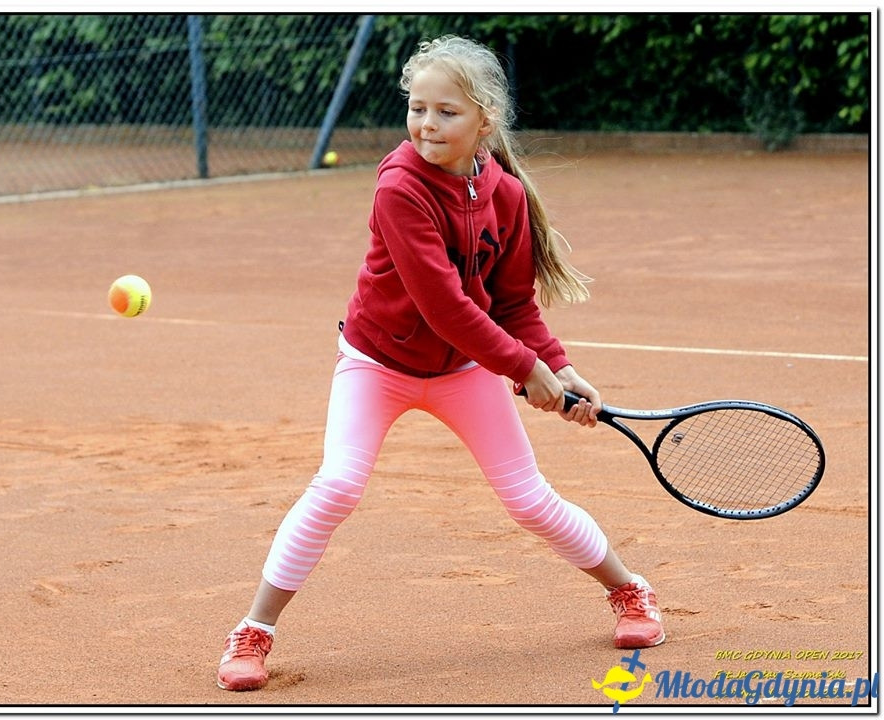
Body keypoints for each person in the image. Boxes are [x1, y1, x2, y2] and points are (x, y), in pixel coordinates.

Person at [217, 35, 665, 692]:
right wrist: (525, 370)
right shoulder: (399, 186)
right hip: (377, 363)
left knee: (529, 500)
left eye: (445, 112)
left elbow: (512, 303)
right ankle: (255, 630)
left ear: (485, 119)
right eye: (417, 108)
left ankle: (629, 591)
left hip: (463, 372)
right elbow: (443, 305)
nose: (427, 124)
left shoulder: (505, 195)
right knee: (338, 484)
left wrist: (558, 368)